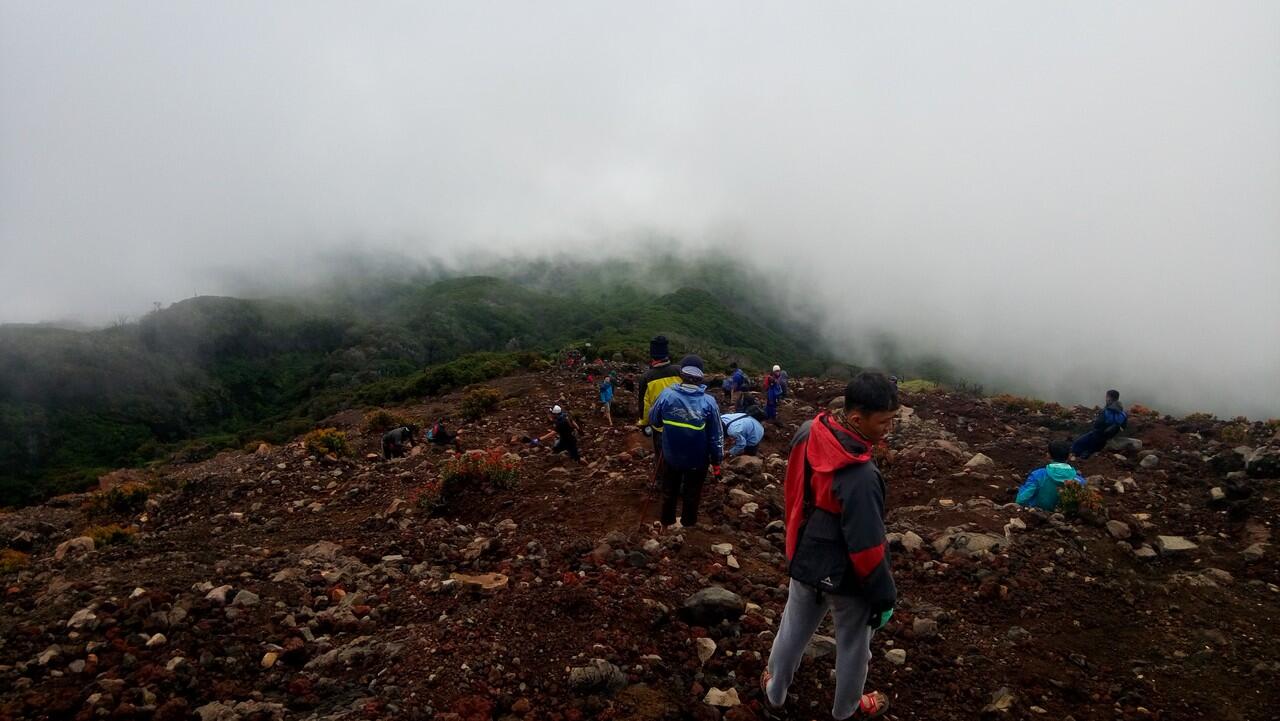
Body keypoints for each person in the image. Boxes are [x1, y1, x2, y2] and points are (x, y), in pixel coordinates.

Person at [762, 371, 898, 720]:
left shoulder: (810, 431)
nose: (889, 428)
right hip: (848, 574)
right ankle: (846, 710)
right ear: (856, 418)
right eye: (884, 421)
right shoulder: (862, 476)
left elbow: (794, 487)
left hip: (808, 549)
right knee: (854, 644)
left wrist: (794, 542)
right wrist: (883, 596)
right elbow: (867, 547)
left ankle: (774, 690)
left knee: (793, 627)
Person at [648, 356, 723, 529]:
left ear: (682, 374)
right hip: (697, 460)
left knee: (669, 490)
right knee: (692, 493)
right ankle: (688, 524)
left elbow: (654, 419)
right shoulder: (708, 402)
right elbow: (716, 435)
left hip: (670, 455)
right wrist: (717, 460)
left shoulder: (667, 395)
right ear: (700, 377)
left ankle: (667, 522)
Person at [637, 335, 682, 460]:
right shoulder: (679, 371)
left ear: (652, 356)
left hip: (661, 427)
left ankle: (664, 477)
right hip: (683, 422)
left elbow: (645, 405)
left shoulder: (646, 377)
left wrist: (644, 423)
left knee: (663, 457)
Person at [1017, 438, 1087, 511]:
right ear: (1069, 456)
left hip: (1038, 516)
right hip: (1067, 519)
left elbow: (1021, 499)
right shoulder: (1080, 482)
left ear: (1048, 455)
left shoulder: (1037, 475)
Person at [1071, 390, 1127, 460]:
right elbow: (1124, 427)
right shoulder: (1123, 414)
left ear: (1109, 398)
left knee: (1077, 444)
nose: (1105, 398)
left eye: (1106, 397)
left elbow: (1097, 426)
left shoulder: (1106, 412)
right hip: (1110, 437)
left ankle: (1082, 457)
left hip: (1098, 437)